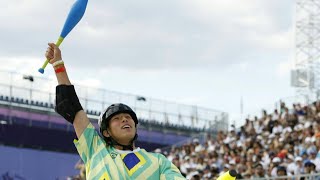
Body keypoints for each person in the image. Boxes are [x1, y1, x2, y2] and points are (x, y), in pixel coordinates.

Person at [45, 43, 185, 179]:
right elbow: (71, 106)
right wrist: (58, 64)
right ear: (106, 132)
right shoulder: (95, 150)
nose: (124, 119)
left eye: (128, 117)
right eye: (117, 119)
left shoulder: (159, 161)